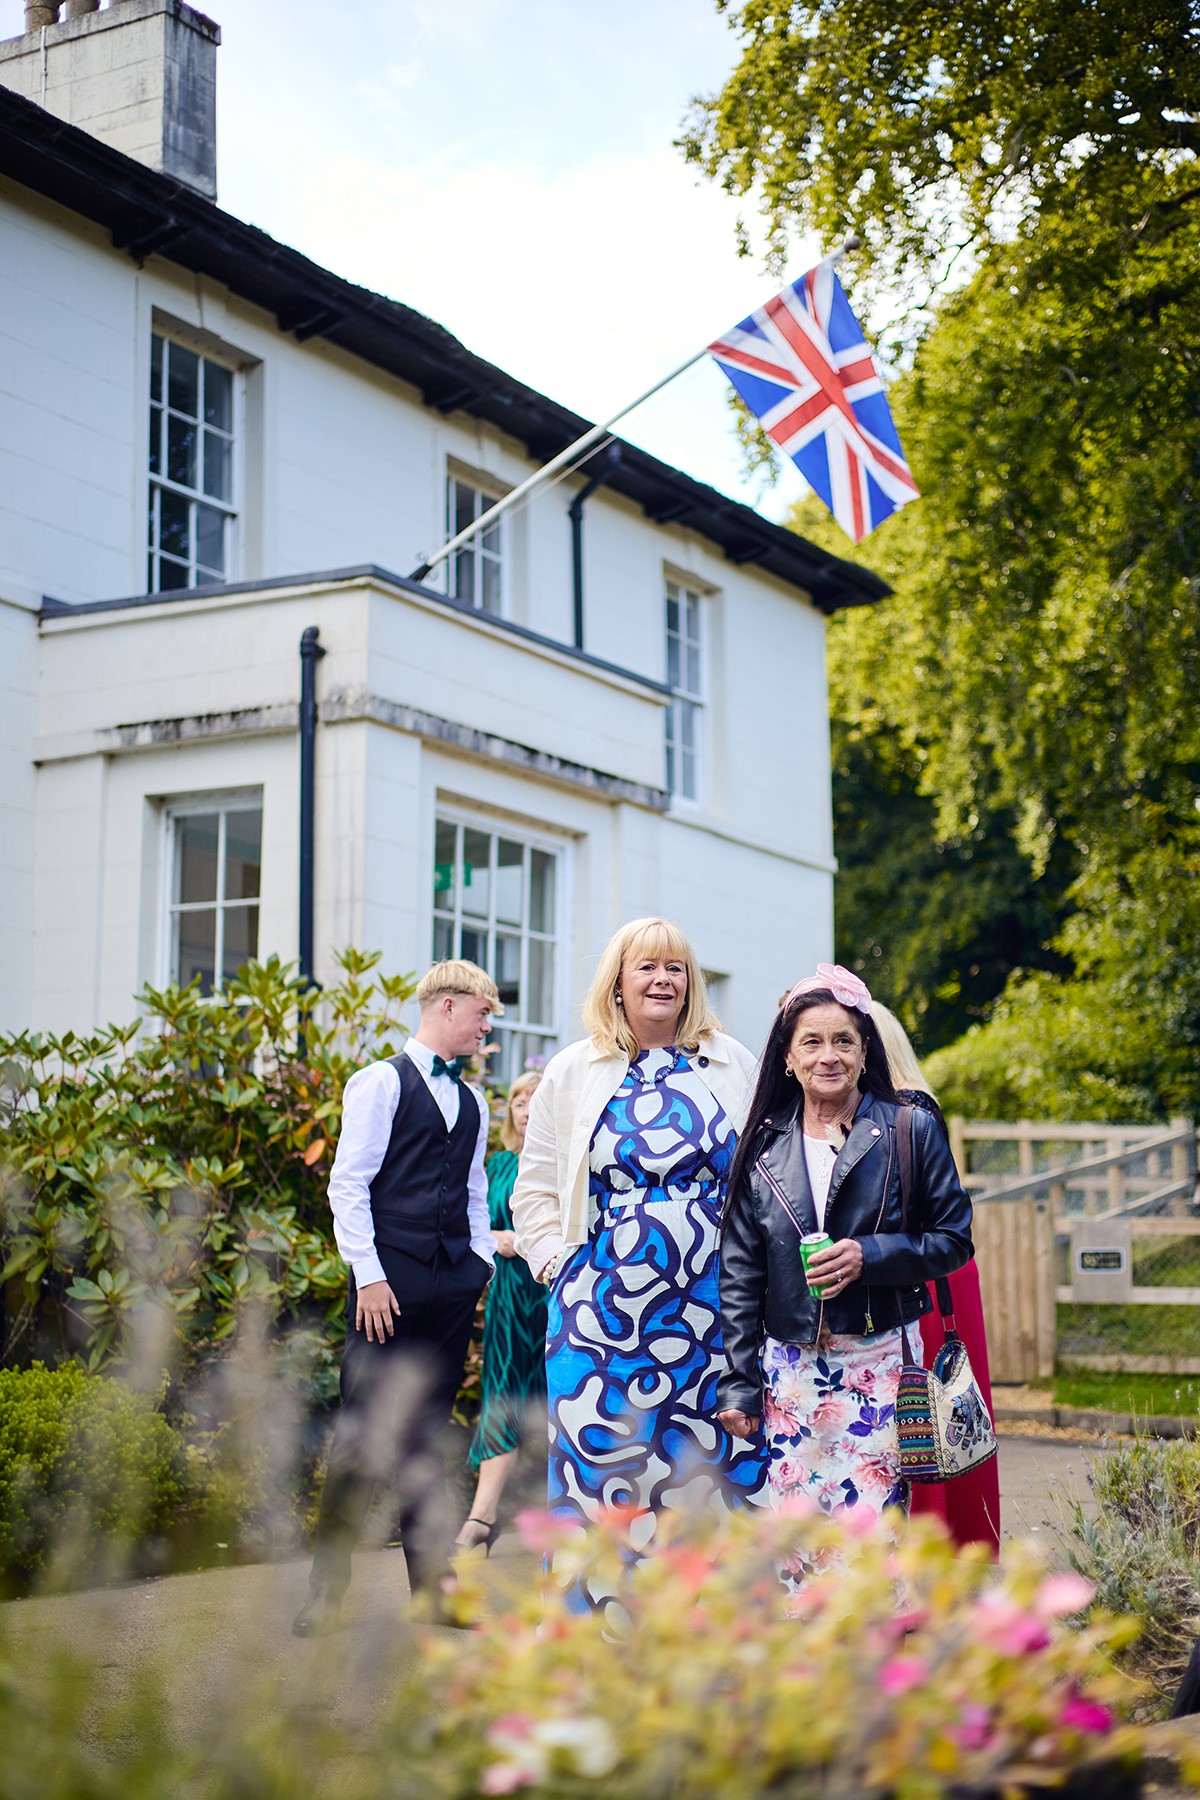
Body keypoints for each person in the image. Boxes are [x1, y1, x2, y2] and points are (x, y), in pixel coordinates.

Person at [511, 917, 764, 1594]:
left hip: (713, 1311)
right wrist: (556, 1268)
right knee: (603, 1477)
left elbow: (770, 1174)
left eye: (675, 968)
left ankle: (715, 1637)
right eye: (646, 967)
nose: (662, 980)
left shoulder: (731, 1062)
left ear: (691, 983)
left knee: (714, 1469)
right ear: (617, 984)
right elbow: (533, 1187)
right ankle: (595, 1636)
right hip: (600, 1322)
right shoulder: (574, 1069)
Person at [717, 964, 973, 1592]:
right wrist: (739, 1384)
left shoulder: (910, 1128)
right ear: (787, 1058)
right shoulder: (760, 1148)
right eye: (811, 1042)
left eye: (843, 1042)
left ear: (865, 1052)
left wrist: (871, 1254)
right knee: (796, 1538)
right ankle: (812, 1679)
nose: (828, 1056)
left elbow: (954, 1239)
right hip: (790, 1371)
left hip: (882, 1360)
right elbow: (740, 1275)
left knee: (874, 1538)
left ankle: (875, 1676)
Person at [292, 960, 500, 1637]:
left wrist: (481, 1265)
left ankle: (432, 1592)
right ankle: (327, 1592)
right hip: (387, 1284)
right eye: (480, 1014)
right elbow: (347, 1186)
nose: (486, 1026)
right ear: (445, 1006)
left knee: (425, 1442)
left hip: (450, 1287)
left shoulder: (475, 1101)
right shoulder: (379, 1082)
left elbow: (471, 1191)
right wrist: (370, 1275)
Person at [871, 1001, 1001, 1555]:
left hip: (925, 1269)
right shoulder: (913, 1100)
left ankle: (933, 1536)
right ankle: (953, 1534)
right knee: (944, 1398)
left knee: (926, 1400)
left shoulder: (904, 1109)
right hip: (937, 1268)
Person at [456, 1071, 546, 1553]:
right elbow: (474, 1226)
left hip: (557, 1294)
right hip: (511, 1298)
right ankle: (482, 1516)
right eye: (518, 1102)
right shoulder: (498, 1164)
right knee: (505, 1393)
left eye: (535, 1100)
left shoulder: (564, 1161)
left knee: (562, 1399)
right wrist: (498, 1240)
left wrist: (526, 1241)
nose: (527, 1110)